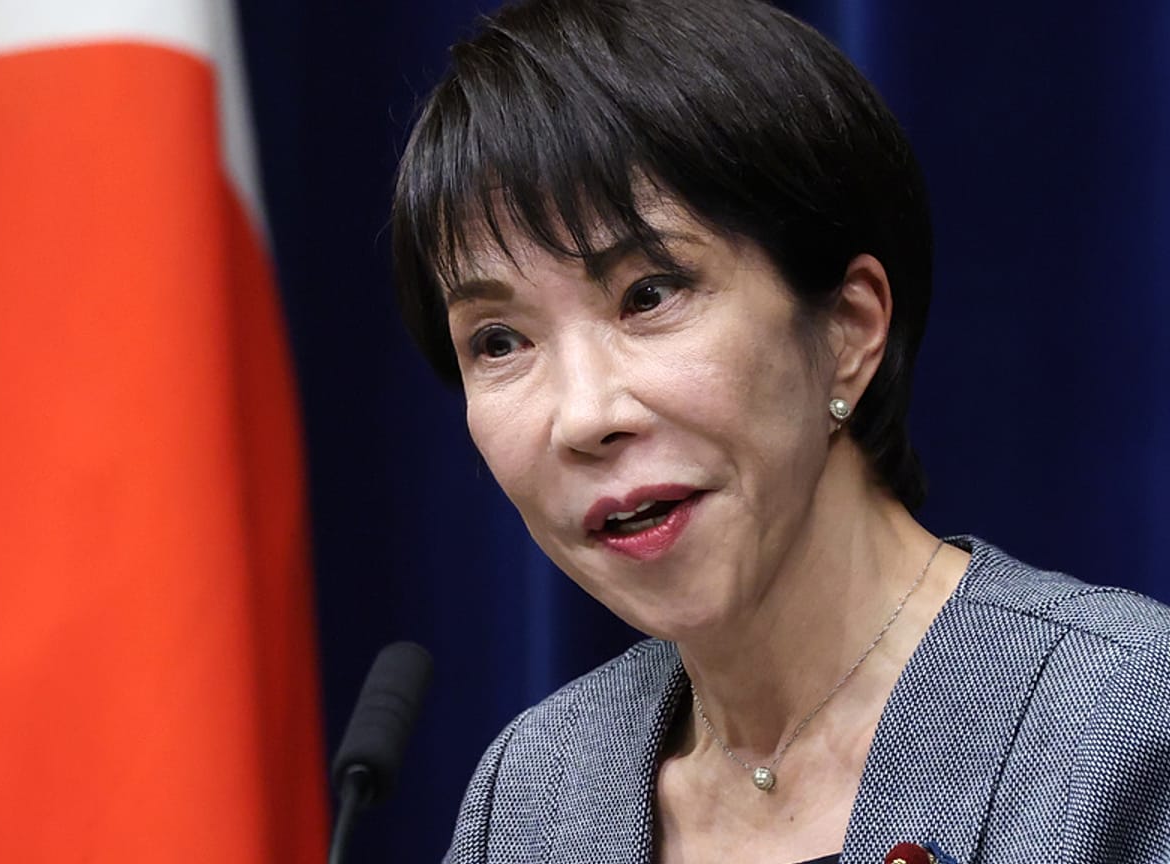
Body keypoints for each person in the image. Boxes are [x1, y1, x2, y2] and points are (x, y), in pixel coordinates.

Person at [388, 0, 1170, 861]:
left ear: (848, 329)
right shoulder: (531, 798)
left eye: (649, 295)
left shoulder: (1129, 725)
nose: (583, 417)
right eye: (499, 342)